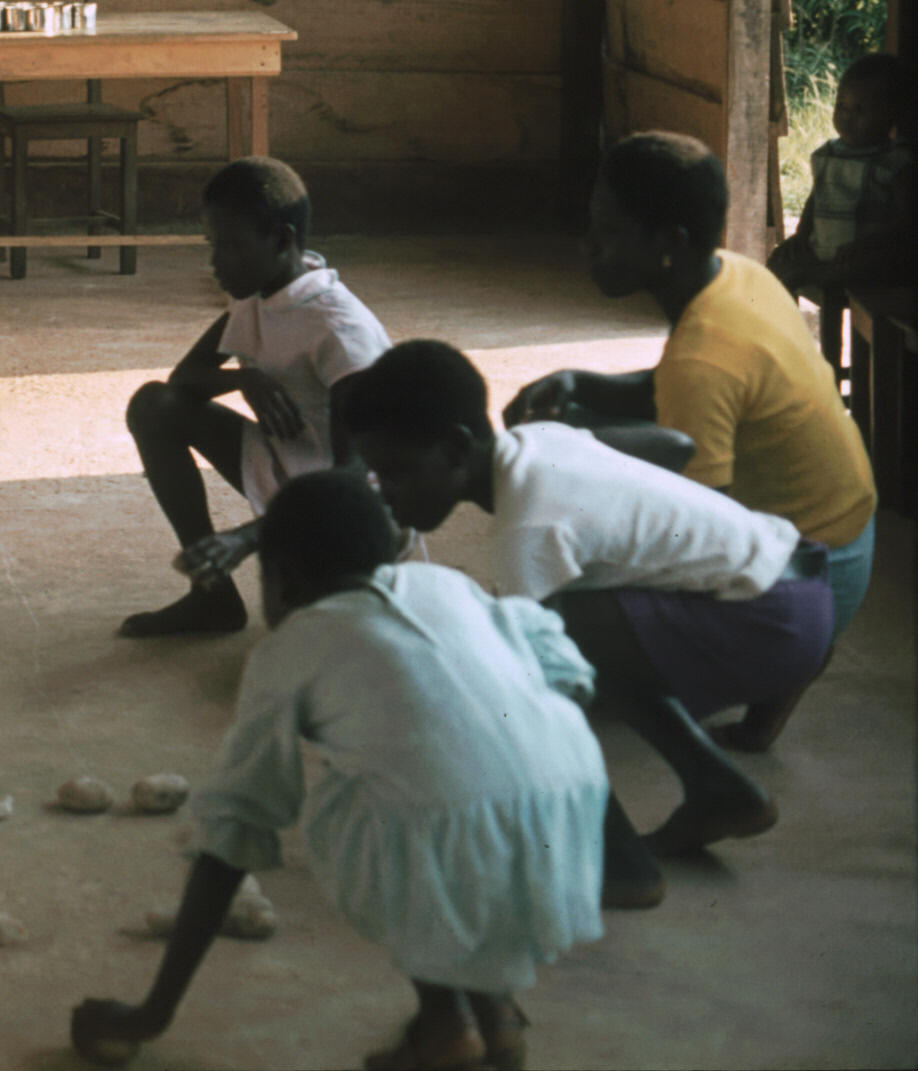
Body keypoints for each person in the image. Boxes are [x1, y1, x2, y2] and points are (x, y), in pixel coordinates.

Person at [70, 470, 603, 1071]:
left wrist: (150, 1014)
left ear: (282, 579)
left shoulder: (289, 649)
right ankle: (488, 1014)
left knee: (367, 812)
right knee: (437, 802)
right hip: (573, 808)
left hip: (448, 828)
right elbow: (565, 665)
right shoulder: (447, 583)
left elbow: (233, 832)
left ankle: (449, 1024)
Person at [346, 340, 832, 910]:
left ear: (456, 449)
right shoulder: (539, 442)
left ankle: (619, 863)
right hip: (799, 590)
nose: (385, 492)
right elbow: (674, 446)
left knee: (532, 667)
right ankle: (718, 791)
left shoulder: (528, 530)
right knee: (575, 627)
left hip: (772, 619)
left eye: (395, 473)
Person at [506, 131, 875, 750]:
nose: (587, 244)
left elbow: (694, 530)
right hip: (848, 544)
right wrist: (585, 385)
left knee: (566, 605)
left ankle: (775, 661)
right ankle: (784, 671)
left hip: (807, 578)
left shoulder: (703, 360)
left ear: (669, 244)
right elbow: (680, 386)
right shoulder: (739, 275)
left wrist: (572, 461)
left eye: (608, 229)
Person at [118, 157, 390, 638]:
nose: (215, 263)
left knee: (320, 637)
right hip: (283, 466)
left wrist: (245, 539)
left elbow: (357, 479)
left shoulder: (341, 331)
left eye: (230, 246)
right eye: (212, 245)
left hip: (343, 509)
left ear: (282, 241)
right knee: (154, 405)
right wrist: (244, 380)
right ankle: (213, 597)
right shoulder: (256, 293)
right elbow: (183, 379)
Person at [766, 52, 914, 292]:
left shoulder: (892, 162)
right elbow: (816, 199)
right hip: (821, 249)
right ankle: (801, 292)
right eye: (841, 106)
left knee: (867, 265)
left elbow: (904, 219)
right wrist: (801, 235)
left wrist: (869, 243)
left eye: (860, 110)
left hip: (862, 256)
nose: (847, 117)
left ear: (890, 116)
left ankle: (818, 276)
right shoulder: (828, 155)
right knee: (777, 261)